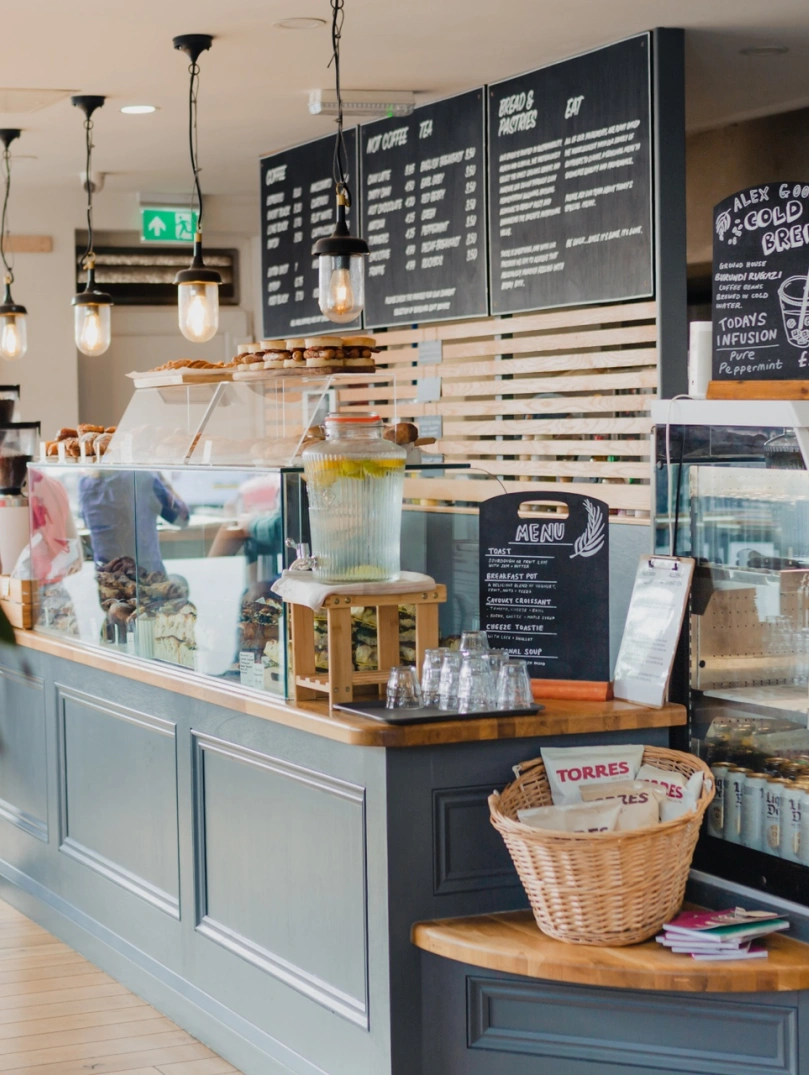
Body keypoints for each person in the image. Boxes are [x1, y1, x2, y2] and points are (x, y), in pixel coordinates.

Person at [78, 469, 189, 574]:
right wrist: (158, 475)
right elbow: (182, 518)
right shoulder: (142, 476)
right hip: (146, 578)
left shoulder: (85, 483)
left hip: (107, 580)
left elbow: (88, 523)